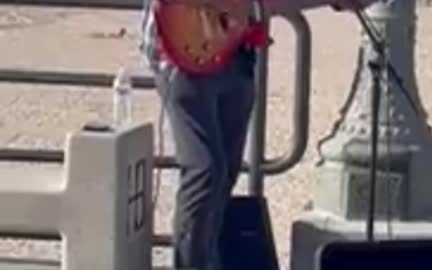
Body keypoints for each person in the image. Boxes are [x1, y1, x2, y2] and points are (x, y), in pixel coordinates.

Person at [139, 1, 378, 270]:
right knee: (205, 170)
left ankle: (207, 261)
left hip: (233, 49)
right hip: (183, 44)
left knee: (224, 173)